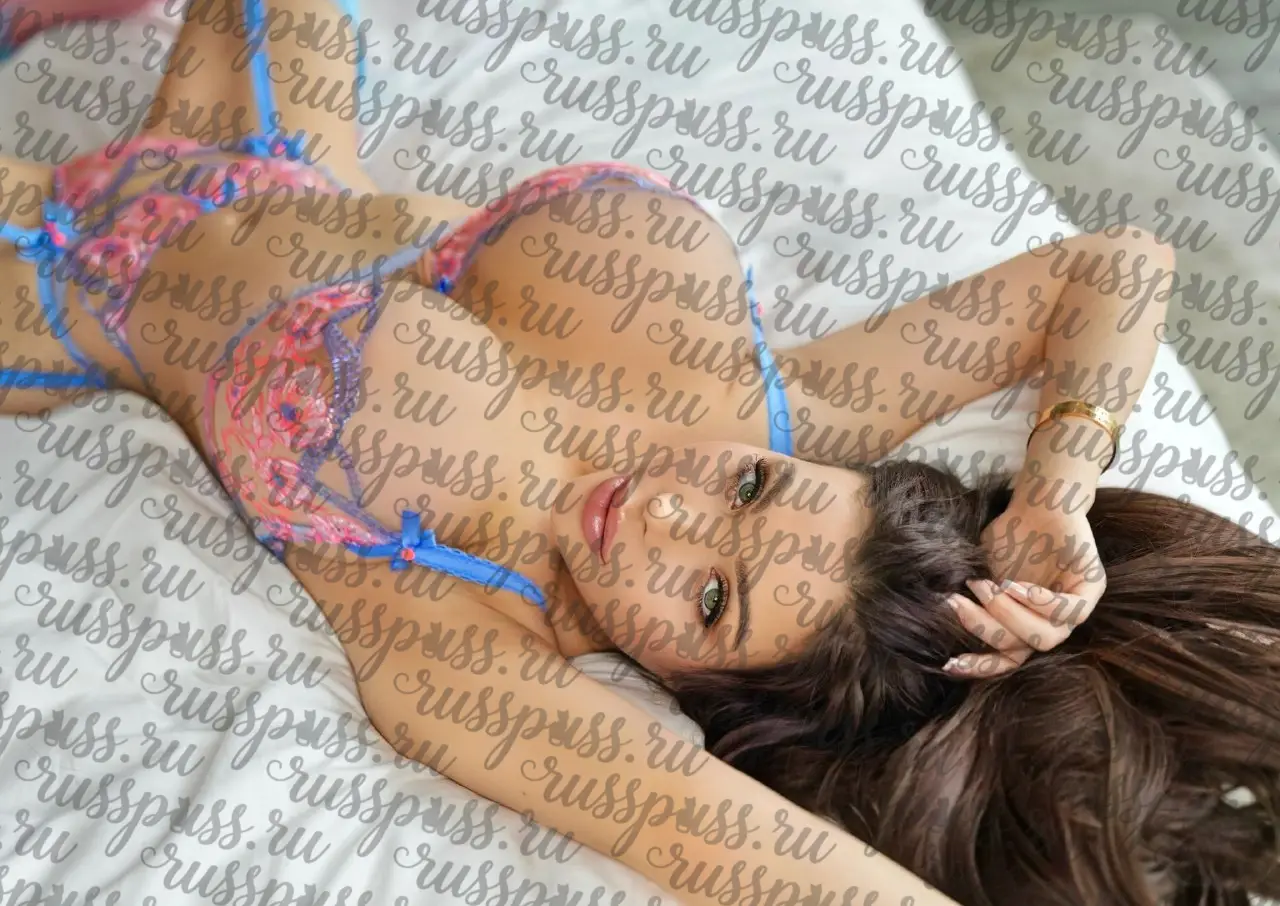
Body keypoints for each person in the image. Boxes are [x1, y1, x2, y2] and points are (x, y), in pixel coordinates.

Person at [0, 1, 1275, 904]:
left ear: (704, 689)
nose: (666, 511)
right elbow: (1115, 266)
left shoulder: (465, 645)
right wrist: (1054, 487)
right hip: (281, 143)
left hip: (59, 287)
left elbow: (733, 850)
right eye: (749, 486)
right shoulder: (768, 407)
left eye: (709, 597)